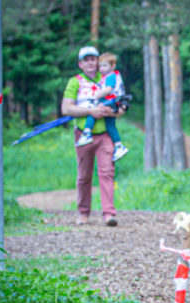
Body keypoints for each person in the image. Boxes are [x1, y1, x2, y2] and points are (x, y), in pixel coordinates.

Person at [61, 46, 124, 227]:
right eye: (86, 60)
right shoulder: (75, 82)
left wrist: (111, 112)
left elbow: (121, 104)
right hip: (83, 134)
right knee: (84, 175)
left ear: (98, 62)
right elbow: (66, 108)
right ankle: (83, 213)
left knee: (107, 173)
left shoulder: (108, 79)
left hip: (105, 134)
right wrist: (91, 111)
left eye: (93, 59)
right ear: (80, 64)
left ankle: (109, 214)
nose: (90, 63)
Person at [76, 52, 129, 163]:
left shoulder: (110, 76)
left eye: (105, 66)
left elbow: (108, 89)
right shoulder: (113, 75)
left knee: (93, 111)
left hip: (110, 100)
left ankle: (86, 133)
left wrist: (97, 95)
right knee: (110, 126)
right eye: (100, 66)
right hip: (115, 102)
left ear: (112, 66)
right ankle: (119, 146)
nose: (102, 69)